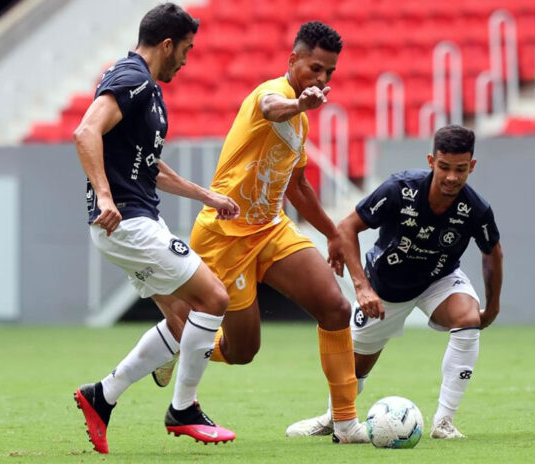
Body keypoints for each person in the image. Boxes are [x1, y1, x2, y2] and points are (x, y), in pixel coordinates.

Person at [153, 21, 368, 444]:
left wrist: (331, 233)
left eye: (329, 73)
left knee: (335, 307)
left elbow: (299, 187)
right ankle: (179, 337)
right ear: (293, 61)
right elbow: (272, 108)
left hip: (270, 229)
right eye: (314, 68)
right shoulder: (271, 94)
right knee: (242, 352)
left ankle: (345, 423)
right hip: (225, 236)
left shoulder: (301, 125)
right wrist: (299, 103)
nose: (321, 80)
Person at [72, 3, 240, 454]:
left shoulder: (144, 89)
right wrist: (105, 196)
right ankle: (183, 409)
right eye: (185, 50)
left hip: (134, 218)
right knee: (215, 298)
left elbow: (149, 168)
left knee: (184, 319)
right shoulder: (134, 80)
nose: (186, 61)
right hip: (127, 221)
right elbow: (86, 132)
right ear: (167, 44)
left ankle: (100, 397)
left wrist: (208, 196)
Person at [285, 125, 504, 439]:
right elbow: (347, 228)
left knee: (468, 320)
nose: (451, 178)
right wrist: (362, 287)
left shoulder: (475, 208)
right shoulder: (400, 189)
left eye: (460, 169)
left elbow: (492, 251)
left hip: (438, 280)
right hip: (385, 291)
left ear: (471, 166)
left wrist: (493, 306)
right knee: (354, 371)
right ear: (431, 161)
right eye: (444, 168)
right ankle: (333, 418)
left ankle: (443, 422)